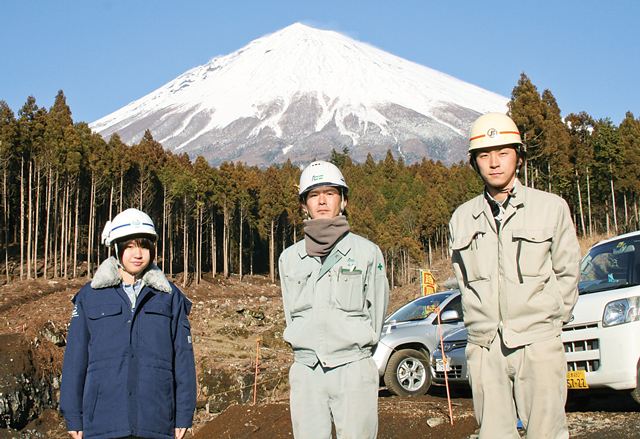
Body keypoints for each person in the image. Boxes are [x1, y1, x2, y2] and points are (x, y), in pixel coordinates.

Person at [449, 113, 581, 439]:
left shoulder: (551, 208)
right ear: (474, 163)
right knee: (493, 434)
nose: (494, 162)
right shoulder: (462, 219)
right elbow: (463, 281)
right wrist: (478, 330)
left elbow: (568, 271)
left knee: (547, 433)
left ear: (519, 157)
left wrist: (550, 322)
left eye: (503, 152)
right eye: (484, 155)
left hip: (538, 343)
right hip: (485, 349)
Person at [59, 208, 196, 439]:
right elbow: (75, 359)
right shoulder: (89, 296)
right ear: (116, 248)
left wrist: (184, 412)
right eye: (130, 246)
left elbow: (183, 358)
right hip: (103, 422)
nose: (138, 253)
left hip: (156, 420)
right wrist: (73, 415)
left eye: (144, 246)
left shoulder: (170, 296)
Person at [278, 160, 389, 439]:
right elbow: (291, 313)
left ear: (344, 200)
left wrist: (355, 351)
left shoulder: (367, 253)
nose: (322, 201)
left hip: (353, 367)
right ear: (304, 205)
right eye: (314, 195)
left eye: (330, 193)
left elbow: (377, 312)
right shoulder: (289, 258)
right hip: (306, 371)